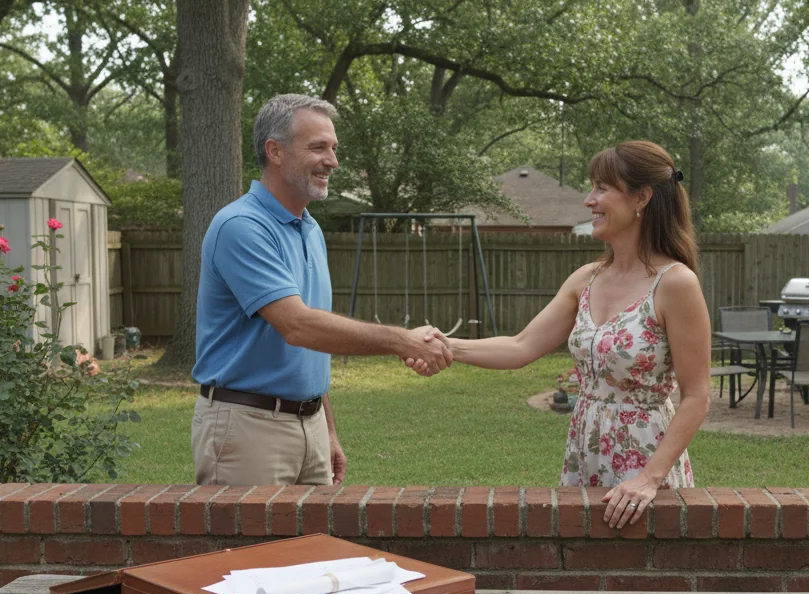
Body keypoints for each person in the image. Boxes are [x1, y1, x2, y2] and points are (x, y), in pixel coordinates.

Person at [423, 140, 711, 529]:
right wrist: (445, 346)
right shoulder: (586, 279)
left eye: (601, 188)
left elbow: (696, 396)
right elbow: (521, 346)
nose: (589, 200)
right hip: (585, 449)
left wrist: (649, 478)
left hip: (644, 459)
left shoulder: (676, 284)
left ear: (641, 197)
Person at [190, 93, 451, 489]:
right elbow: (298, 326)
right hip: (248, 427)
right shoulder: (241, 226)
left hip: (307, 424)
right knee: (257, 551)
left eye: (333, 148)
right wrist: (402, 341)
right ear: (274, 151)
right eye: (318, 147)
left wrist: (325, 428)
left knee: (316, 550)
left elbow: (313, 342)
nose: (332, 161)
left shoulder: (309, 228)